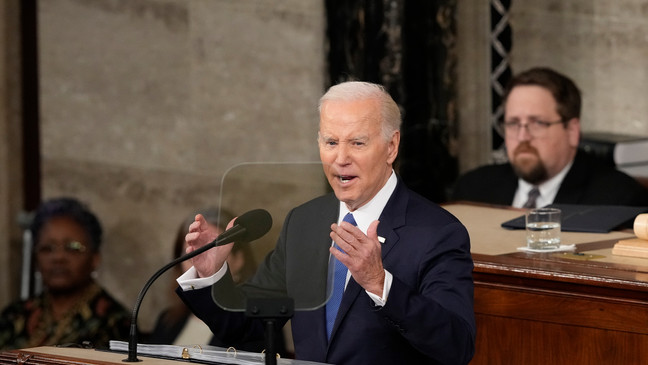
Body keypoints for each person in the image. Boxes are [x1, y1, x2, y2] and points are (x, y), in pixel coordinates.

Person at [175, 81, 475, 364]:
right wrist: (212, 276)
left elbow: (456, 346)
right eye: (331, 142)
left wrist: (380, 284)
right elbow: (249, 327)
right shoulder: (304, 222)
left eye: (357, 143)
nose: (340, 158)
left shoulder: (438, 232)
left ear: (391, 147)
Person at [452, 67, 648, 208]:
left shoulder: (617, 200)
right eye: (513, 123)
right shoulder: (473, 190)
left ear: (572, 131)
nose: (522, 137)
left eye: (537, 123)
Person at [0, 197, 131, 350]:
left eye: (72, 248)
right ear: (36, 259)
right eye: (47, 248)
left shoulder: (114, 322)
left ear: (95, 258)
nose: (58, 258)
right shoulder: (15, 315)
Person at [148, 207, 280, 353]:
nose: (198, 261)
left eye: (209, 250)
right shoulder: (167, 320)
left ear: (239, 260)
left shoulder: (260, 324)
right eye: (191, 251)